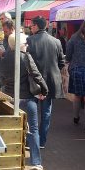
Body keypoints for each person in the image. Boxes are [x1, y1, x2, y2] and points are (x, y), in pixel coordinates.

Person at [0, 33, 48, 170]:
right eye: (25, 43)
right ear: (20, 44)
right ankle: (36, 161)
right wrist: (44, 90)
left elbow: (2, 77)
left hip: (11, 98)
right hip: (27, 97)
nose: (27, 45)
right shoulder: (26, 57)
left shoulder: (5, 58)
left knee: (11, 129)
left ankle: (9, 159)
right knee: (33, 129)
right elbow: (36, 75)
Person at [27, 16, 65, 147]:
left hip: (34, 82)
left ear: (36, 26)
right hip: (50, 82)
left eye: (31, 26)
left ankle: (31, 140)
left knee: (31, 111)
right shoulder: (56, 41)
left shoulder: (30, 40)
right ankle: (42, 141)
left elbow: (27, 62)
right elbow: (61, 62)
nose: (30, 28)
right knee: (46, 113)